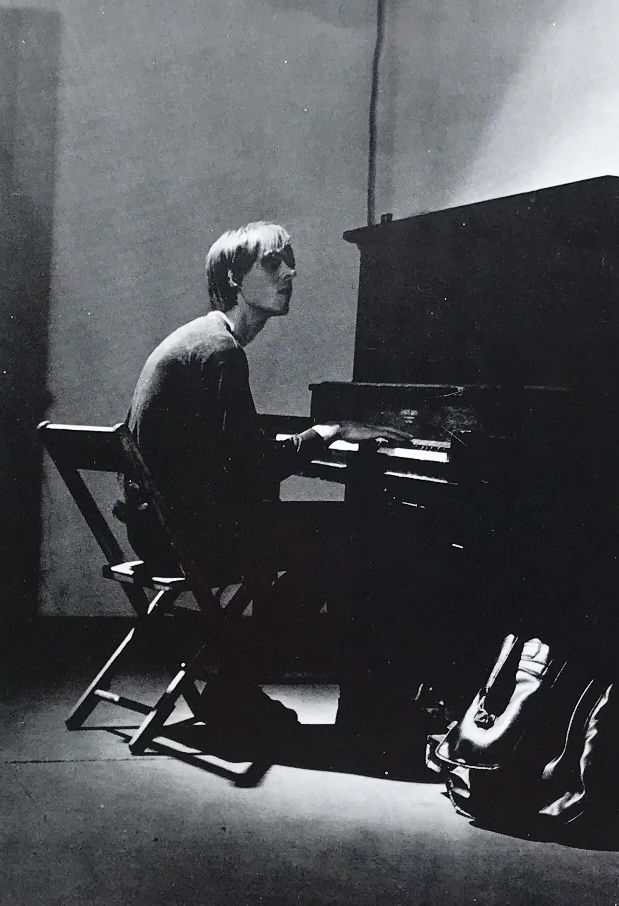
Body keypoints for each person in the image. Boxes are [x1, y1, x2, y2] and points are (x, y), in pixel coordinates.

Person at [118, 220, 406, 739]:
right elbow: (252, 470)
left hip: (161, 532)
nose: (290, 271)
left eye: (289, 260)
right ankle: (245, 689)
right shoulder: (222, 352)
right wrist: (328, 431)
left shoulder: (200, 341)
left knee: (317, 533)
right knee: (350, 534)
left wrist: (306, 438)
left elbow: (229, 457)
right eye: (273, 262)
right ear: (233, 278)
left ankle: (237, 686)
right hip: (188, 541)